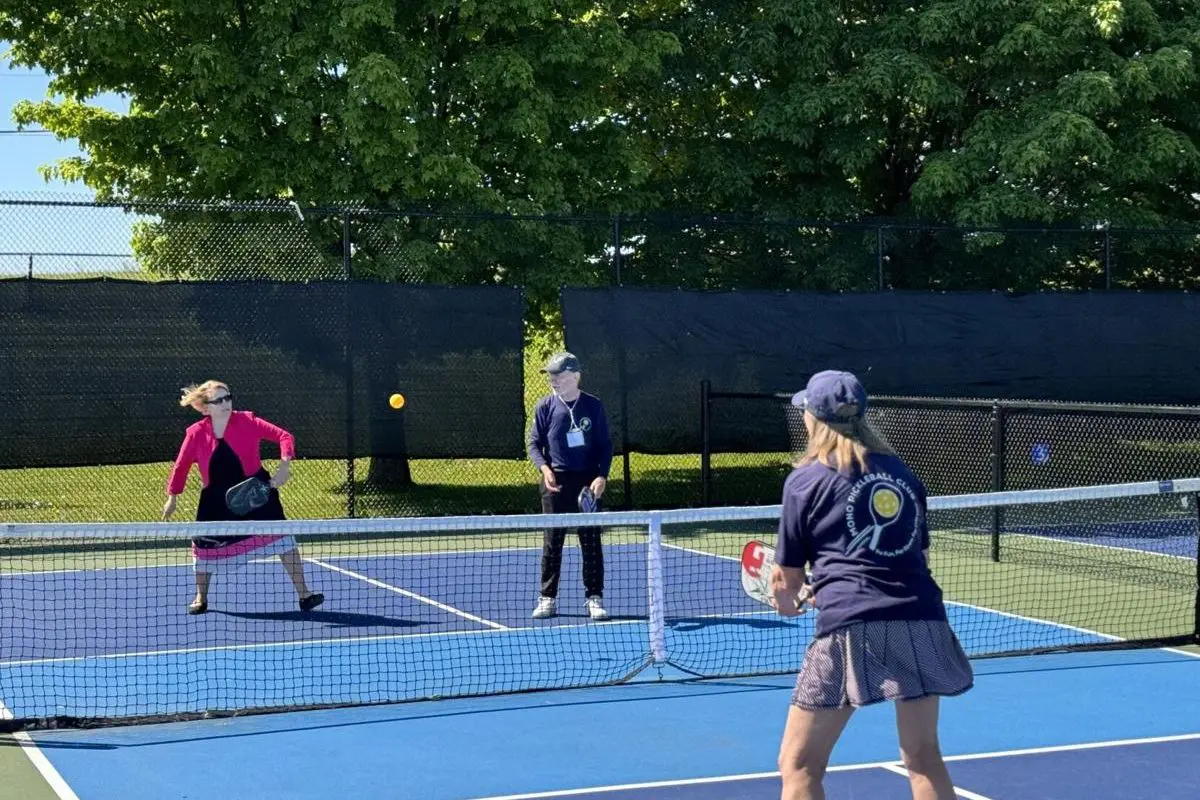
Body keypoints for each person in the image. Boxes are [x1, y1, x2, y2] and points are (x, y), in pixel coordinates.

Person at [770, 370, 973, 800]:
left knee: (799, 764)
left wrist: (788, 598)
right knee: (922, 755)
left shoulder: (803, 481)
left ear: (814, 418)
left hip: (851, 625)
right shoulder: (903, 474)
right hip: (921, 617)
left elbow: (788, 583)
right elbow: (915, 557)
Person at [163, 380, 325, 615]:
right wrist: (173, 497)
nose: (226, 403)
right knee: (203, 548)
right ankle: (201, 597)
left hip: (254, 492)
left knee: (283, 539)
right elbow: (181, 466)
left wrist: (284, 466)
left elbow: (284, 436)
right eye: (218, 400)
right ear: (206, 407)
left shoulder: (247, 421)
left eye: (228, 397)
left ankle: (304, 595)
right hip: (216, 499)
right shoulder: (196, 433)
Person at [526, 352, 613, 621]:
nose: (553, 380)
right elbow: (533, 444)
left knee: (590, 541)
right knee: (553, 542)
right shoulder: (545, 407)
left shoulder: (593, 406)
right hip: (555, 484)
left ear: (575, 376)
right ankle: (547, 599)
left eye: (559, 376)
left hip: (587, 483)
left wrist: (602, 477)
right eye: (551, 376)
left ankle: (594, 598)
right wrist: (545, 469)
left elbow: (605, 446)